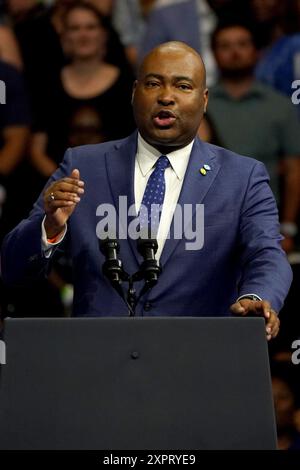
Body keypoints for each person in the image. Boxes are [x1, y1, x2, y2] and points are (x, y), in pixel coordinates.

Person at [0, 41, 292, 340]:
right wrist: (48, 227)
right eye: (153, 84)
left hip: (197, 361)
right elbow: (12, 268)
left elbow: (267, 254)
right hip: (98, 362)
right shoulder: (82, 165)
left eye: (183, 86)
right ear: (134, 92)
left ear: (204, 100)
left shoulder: (242, 177)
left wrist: (256, 298)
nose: (166, 97)